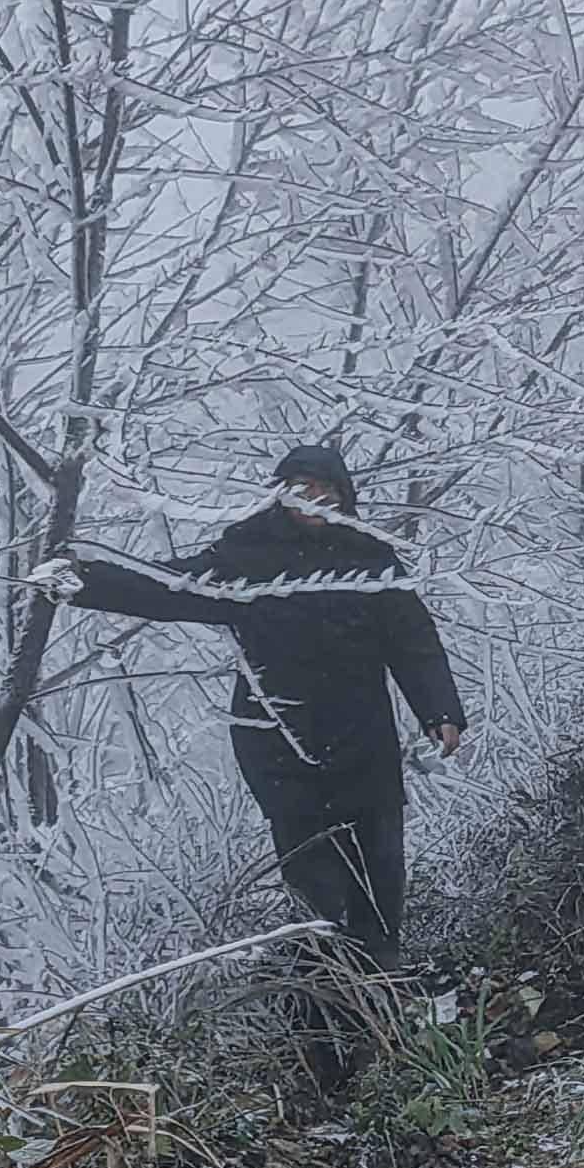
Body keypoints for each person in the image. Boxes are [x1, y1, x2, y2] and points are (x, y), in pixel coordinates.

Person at [39, 444, 465, 1085]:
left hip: (365, 743)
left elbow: (413, 638)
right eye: (300, 489)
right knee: (315, 888)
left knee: (380, 872)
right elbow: (168, 588)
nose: (314, 502)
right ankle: (320, 1033)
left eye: (326, 491)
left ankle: (382, 1001)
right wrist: (84, 581)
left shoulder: (370, 559)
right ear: (280, 494)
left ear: (345, 498)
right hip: (281, 747)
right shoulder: (248, 556)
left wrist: (440, 709)